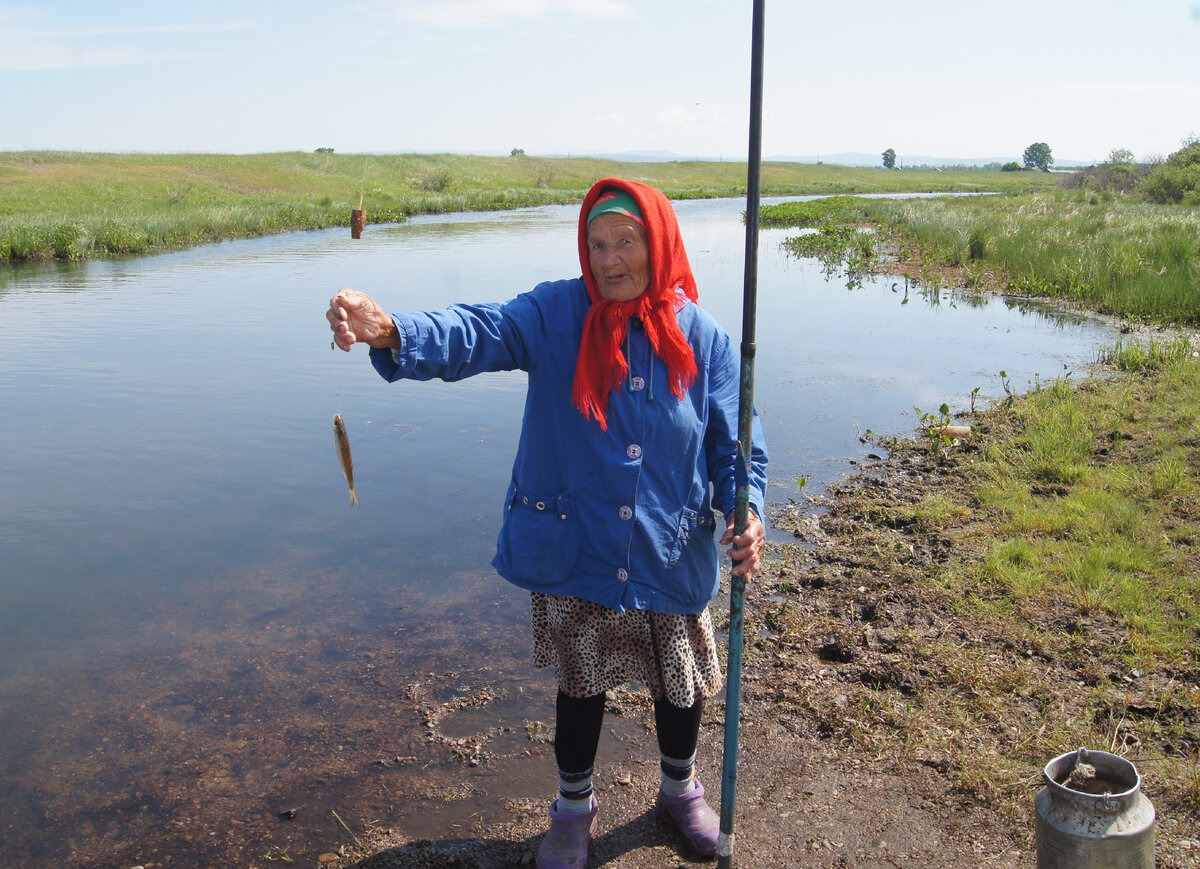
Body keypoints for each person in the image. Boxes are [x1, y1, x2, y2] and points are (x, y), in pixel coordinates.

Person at [326, 178, 768, 868]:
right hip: (579, 544)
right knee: (580, 683)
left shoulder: (703, 339)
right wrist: (393, 330)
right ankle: (573, 806)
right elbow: (478, 330)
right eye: (597, 244)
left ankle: (678, 792)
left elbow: (735, 443)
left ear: (659, 242)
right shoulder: (555, 311)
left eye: (627, 242)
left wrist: (748, 507)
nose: (610, 260)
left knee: (679, 683)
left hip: (668, 548)